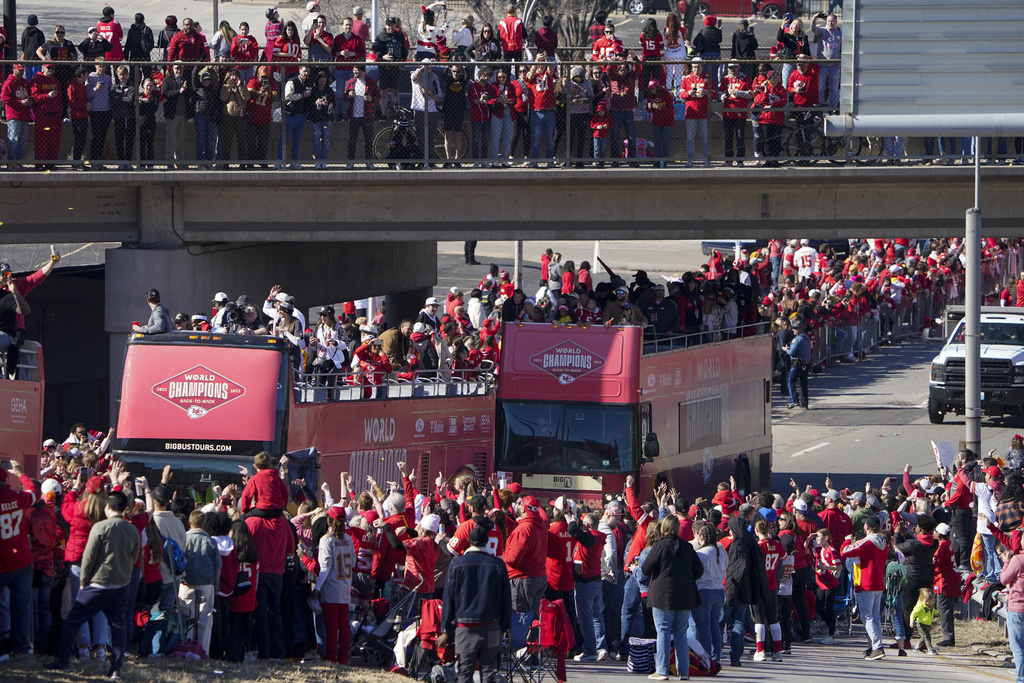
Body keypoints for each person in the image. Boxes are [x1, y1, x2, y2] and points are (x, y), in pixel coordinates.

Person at [45, 490, 139, 678]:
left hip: (98, 584)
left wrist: (83, 581)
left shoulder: (100, 527)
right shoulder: (132, 529)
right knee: (118, 626)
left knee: (73, 620)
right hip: (121, 584)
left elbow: (88, 557)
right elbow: (134, 556)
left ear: (108, 507)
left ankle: (64, 661)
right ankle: (116, 667)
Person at [442, 522, 513, 683]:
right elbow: (506, 600)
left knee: (464, 671)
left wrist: (446, 629)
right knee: (489, 672)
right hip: (492, 626)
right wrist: (504, 626)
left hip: (465, 627)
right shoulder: (498, 565)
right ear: (486, 542)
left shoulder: (457, 564)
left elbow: (449, 599)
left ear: (469, 541)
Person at [642, 514, 703, 680]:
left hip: (662, 594)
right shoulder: (688, 547)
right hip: (685, 594)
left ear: (664, 528)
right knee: (681, 633)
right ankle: (684, 671)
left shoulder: (659, 546)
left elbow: (646, 569)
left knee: (662, 631)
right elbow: (699, 571)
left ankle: (661, 670)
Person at [0, 461, 39, 658]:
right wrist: (21, 474)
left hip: (3, 562)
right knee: (22, 605)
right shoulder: (17, 497)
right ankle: (23, 646)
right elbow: (33, 492)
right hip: (22, 560)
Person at [841, 515, 888, 660]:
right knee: (875, 617)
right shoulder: (883, 542)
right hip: (878, 582)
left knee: (866, 616)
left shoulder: (867, 542)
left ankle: (877, 646)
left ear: (868, 526)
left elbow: (845, 551)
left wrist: (847, 540)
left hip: (866, 582)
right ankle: (873, 646)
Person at [314, 505, 355, 663]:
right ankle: (344, 657)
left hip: (331, 587)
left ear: (329, 519)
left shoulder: (326, 540)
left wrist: (316, 589)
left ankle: (330, 657)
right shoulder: (348, 538)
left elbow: (325, 567)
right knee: (343, 624)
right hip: (345, 585)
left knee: (331, 626)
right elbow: (352, 561)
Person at [181, 509, 220, 655]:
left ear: (190, 522)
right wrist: (215, 587)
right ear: (203, 524)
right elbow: (217, 566)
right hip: (206, 583)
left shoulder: (183, 539)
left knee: (185, 618)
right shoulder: (211, 541)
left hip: (186, 583)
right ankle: (202, 651)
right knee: (205, 619)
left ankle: (185, 647)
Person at [999, 543, 1024, 683]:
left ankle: (1021, 678)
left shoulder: (1018, 560)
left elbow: (1004, 579)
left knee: (1019, 646)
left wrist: (1006, 562)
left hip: (1017, 606)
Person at [30, 61, 63, 169]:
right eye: (49, 68)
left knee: (54, 141)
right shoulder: (37, 81)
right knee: (41, 141)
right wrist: (47, 96)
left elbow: (59, 98)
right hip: (43, 115)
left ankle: (51, 163)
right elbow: (34, 97)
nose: (51, 70)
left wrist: (59, 112)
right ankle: (39, 164)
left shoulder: (55, 81)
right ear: (43, 68)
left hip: (55, 115)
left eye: (53, 68)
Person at [719, 62, 752, 165]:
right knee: (728, 137)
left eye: (734, 67)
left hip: (740, 112)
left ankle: (740, 160)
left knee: (740, 137)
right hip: (728, 113)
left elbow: (751, 94)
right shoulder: (725, 79)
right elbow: (719, 93)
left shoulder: (745, 78)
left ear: (739, 67)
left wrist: (738, 93)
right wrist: (723, 97)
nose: (732, 69)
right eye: (730, 68)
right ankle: (728, 159)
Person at [345, 65, 378, 166]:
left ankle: (369, 161)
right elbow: (345, 97)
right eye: (353, 70)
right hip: (354, 115)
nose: (354, 72)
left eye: (356, 70)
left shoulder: (371, 82)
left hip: (367, 115)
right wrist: (349, 95)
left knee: (368, 140)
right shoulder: (350, 82)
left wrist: (371, 98)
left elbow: (378, 95)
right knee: (352, 140)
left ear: (362, 71)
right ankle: (350, 162)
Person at [332, 17, 365, 120]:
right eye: (346, 25)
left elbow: (362, 53)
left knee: (352, 93)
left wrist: (353, 53)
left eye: (350, 25)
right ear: (343, 25)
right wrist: (339, 53)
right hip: (340, 68)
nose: (348, 27)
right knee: (339, 93)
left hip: (352, 70)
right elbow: (333, 52)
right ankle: (340, 114)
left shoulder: (357, 39)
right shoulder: (337, 38)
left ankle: (352, 113)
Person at [1, 63, 32, 170]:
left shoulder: (24, 82)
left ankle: (18, 161)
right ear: (14, 69)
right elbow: (5, 98)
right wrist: (20, 102)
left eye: (23, 70)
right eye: (19, 70)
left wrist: (29, 101)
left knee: (23, 139)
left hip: (24, 114)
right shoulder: (9, 82)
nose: (22, 71)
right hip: (14, 114)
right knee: (14, 137)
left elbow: (29, 94)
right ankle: (11, 161)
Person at [681, 58, 710, 167]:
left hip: (703, 113)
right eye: (694, 67)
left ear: (702, 67)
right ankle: (690, 159)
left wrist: (706, 92)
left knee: (706, 138)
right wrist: (689, 93)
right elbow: (681, 94)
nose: (696, 69)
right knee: (690, 138)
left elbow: (713, 93)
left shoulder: (706, 78)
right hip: (691, 114)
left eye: (698, 66)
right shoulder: (686, 79)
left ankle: (706, 159)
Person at [810, 13, 841, 109]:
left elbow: (844, 48)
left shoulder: (840, 33)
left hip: (835, 66)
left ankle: (833, 106)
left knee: (834, 88)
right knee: (820, 87)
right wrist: (814, 19)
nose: (830, 23)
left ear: (836, 22)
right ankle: (820, 105)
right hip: (822, 65)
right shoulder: (822, 31)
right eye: (828, 21)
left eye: (832, 21)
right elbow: (813, 29)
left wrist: (840, 61)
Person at [786, 318, 811, 408]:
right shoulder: (806, 337)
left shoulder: (797, 339)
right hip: (806, 363)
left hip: (798, 364)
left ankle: (794, 400)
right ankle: (804, 404)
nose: (793, 330)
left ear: (800, 329)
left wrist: (786, 349)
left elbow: (791, 352)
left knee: (790, 380)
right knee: (804, 383)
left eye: (795, 328)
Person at [910, 587, 939, 654]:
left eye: (930, 601)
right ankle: (930, 649)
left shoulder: (930, 605)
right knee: (927, 636)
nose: (928, 603)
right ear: (921, 598)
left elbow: (932, 610)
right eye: (926, 601)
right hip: (921, 623)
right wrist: (912, 621)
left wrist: (937, 613)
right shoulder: (920, 606)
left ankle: (917, 647)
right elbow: (913, 613)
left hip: (928, 623)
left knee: (924, 636)